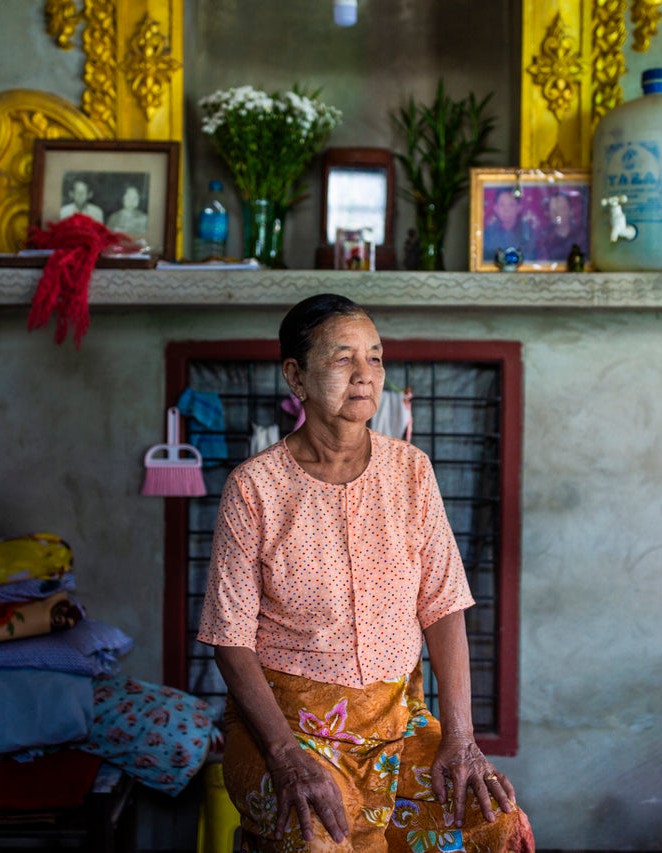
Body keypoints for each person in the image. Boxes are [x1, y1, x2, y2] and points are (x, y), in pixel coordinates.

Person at [198, 294, 535, 852]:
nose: (364, 375)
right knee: (314, 837)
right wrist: (284, 756)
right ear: (296, 376)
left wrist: (461, 737)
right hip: (286, 730)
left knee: (491, 821)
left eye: (375, 358)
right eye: (342, 359)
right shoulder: (254, 487)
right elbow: (229, 641)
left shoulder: (411, 471)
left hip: (398, 724)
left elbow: (444, 607)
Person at [482, 187, 536, 262]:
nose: (506, 210)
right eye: (502, 205)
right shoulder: (487, 235)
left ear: (519, 208)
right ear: (496, 208)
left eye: (511, 205)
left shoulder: (529, 233)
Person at [535, 192, 587, 263]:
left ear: (570, 211)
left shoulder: (581, 234)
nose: (557, 214)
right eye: (553, 210)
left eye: (561, 209)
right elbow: (543, 264)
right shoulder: (544, 239)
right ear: (549, 213)